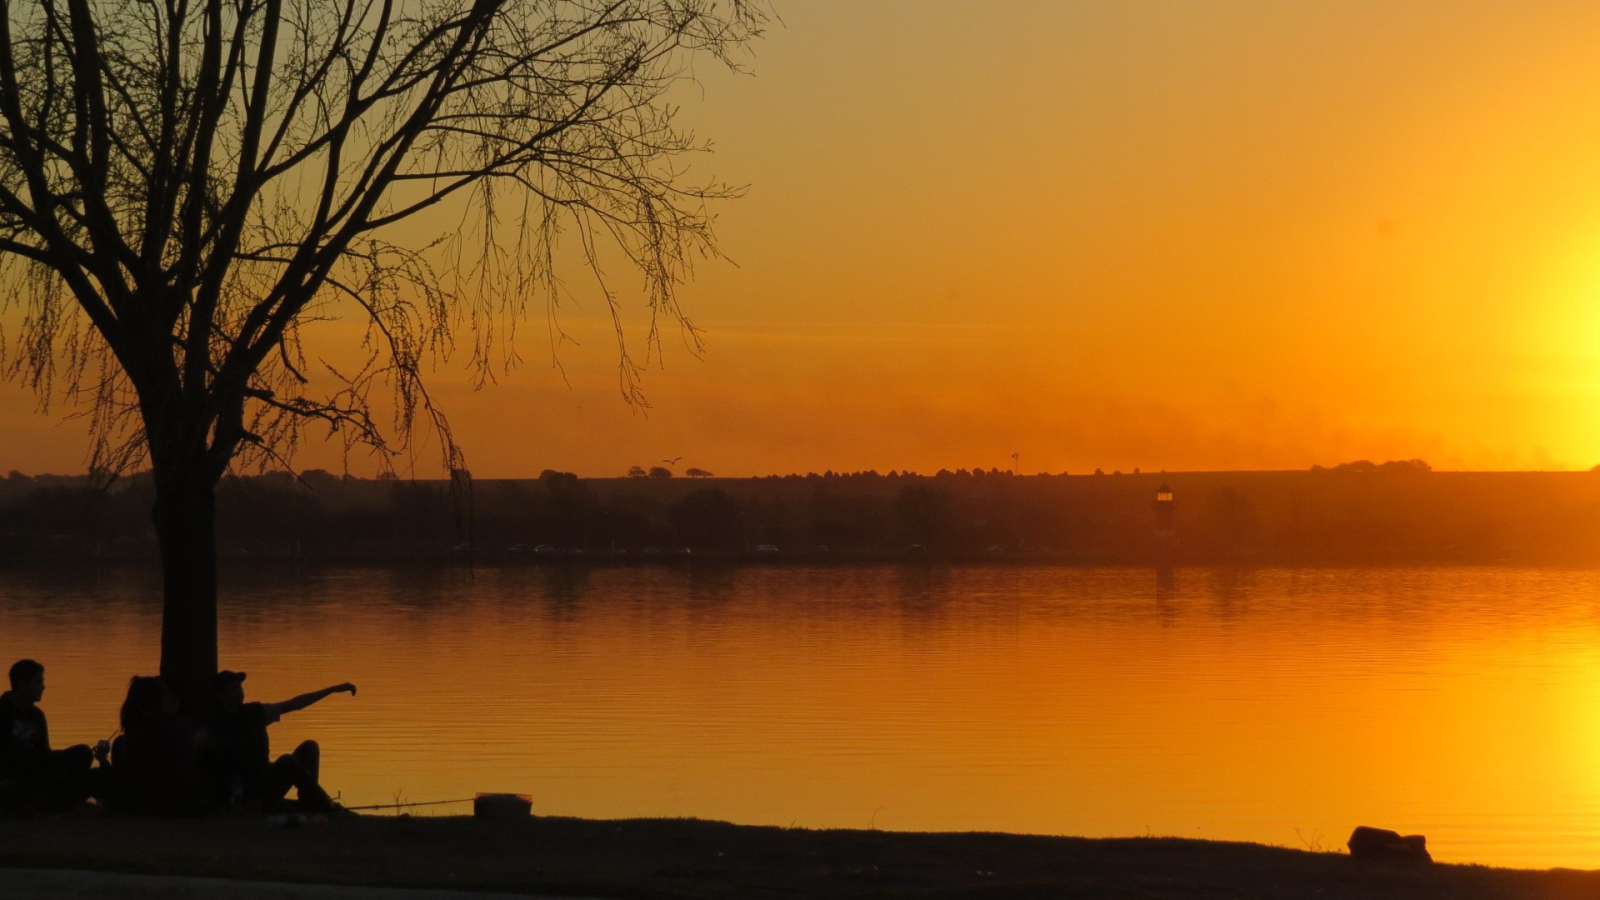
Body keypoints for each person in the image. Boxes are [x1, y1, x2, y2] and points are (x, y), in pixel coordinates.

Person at [201, 671, 355, 812]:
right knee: (287, 761)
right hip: (247, 793)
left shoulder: (257, 712)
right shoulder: (213, 727)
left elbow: (295, 704)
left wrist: (331, 690)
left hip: (266, 780)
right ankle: (327, 805)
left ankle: (310, 801)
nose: (239, 691)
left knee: (310, 747)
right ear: (220, 695)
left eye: (239, 686)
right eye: (232, 688)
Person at [0, 659, 101, 815]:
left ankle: (51, 797)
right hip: (12, 772)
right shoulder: (3, 711)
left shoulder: (36, 715)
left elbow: (44, 752)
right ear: (22, 683)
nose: (43, 687)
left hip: (36, 768)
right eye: (38, 682)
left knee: (83, 753)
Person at [108, 676, 205, 816]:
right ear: (164, 700)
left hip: (148, 803)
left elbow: (128, 774)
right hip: (183, 802)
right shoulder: (179, 725)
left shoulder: (136, 732)